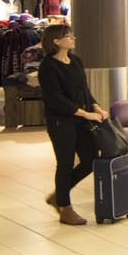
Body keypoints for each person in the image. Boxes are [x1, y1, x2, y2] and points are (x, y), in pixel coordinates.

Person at [38, 22, 108, 224]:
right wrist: (85, 114)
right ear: (56, 41)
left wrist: (96, 107)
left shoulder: (75, 61)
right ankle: (65, 208)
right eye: (68, 36)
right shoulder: (48, 67)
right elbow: (56, 99)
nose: (73, 38)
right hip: (62, 122)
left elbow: (84, 90)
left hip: (82, 120)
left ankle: (59, 196)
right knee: (65, 163)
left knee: (90, 159)